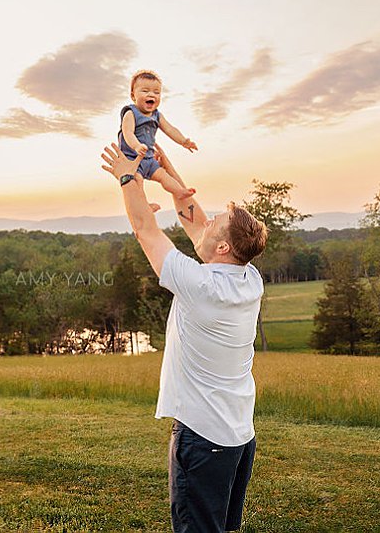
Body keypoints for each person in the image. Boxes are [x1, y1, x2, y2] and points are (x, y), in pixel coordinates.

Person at [101, 139, 267, 533]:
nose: (206, 221)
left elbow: (145, 229)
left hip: (204, 437)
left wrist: (128, 177)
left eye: (215, 224)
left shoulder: (200, 284)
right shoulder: (249, 277)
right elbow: (191, 217)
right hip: (238, 438)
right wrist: (164, 167)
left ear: (223, 246)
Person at [118, 69, 199, 203]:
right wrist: (136, 146)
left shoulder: (157, 115)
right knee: (136, 180)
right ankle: (143, 205)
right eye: (145, 91)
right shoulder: (131, 113)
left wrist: (183, 141)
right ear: (133, 96)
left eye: (156, 92)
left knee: (163, 175)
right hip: (133, 159)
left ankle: (179, 191)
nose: (152, 94)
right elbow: (127, 132)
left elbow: (169, 129)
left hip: (149, 158)